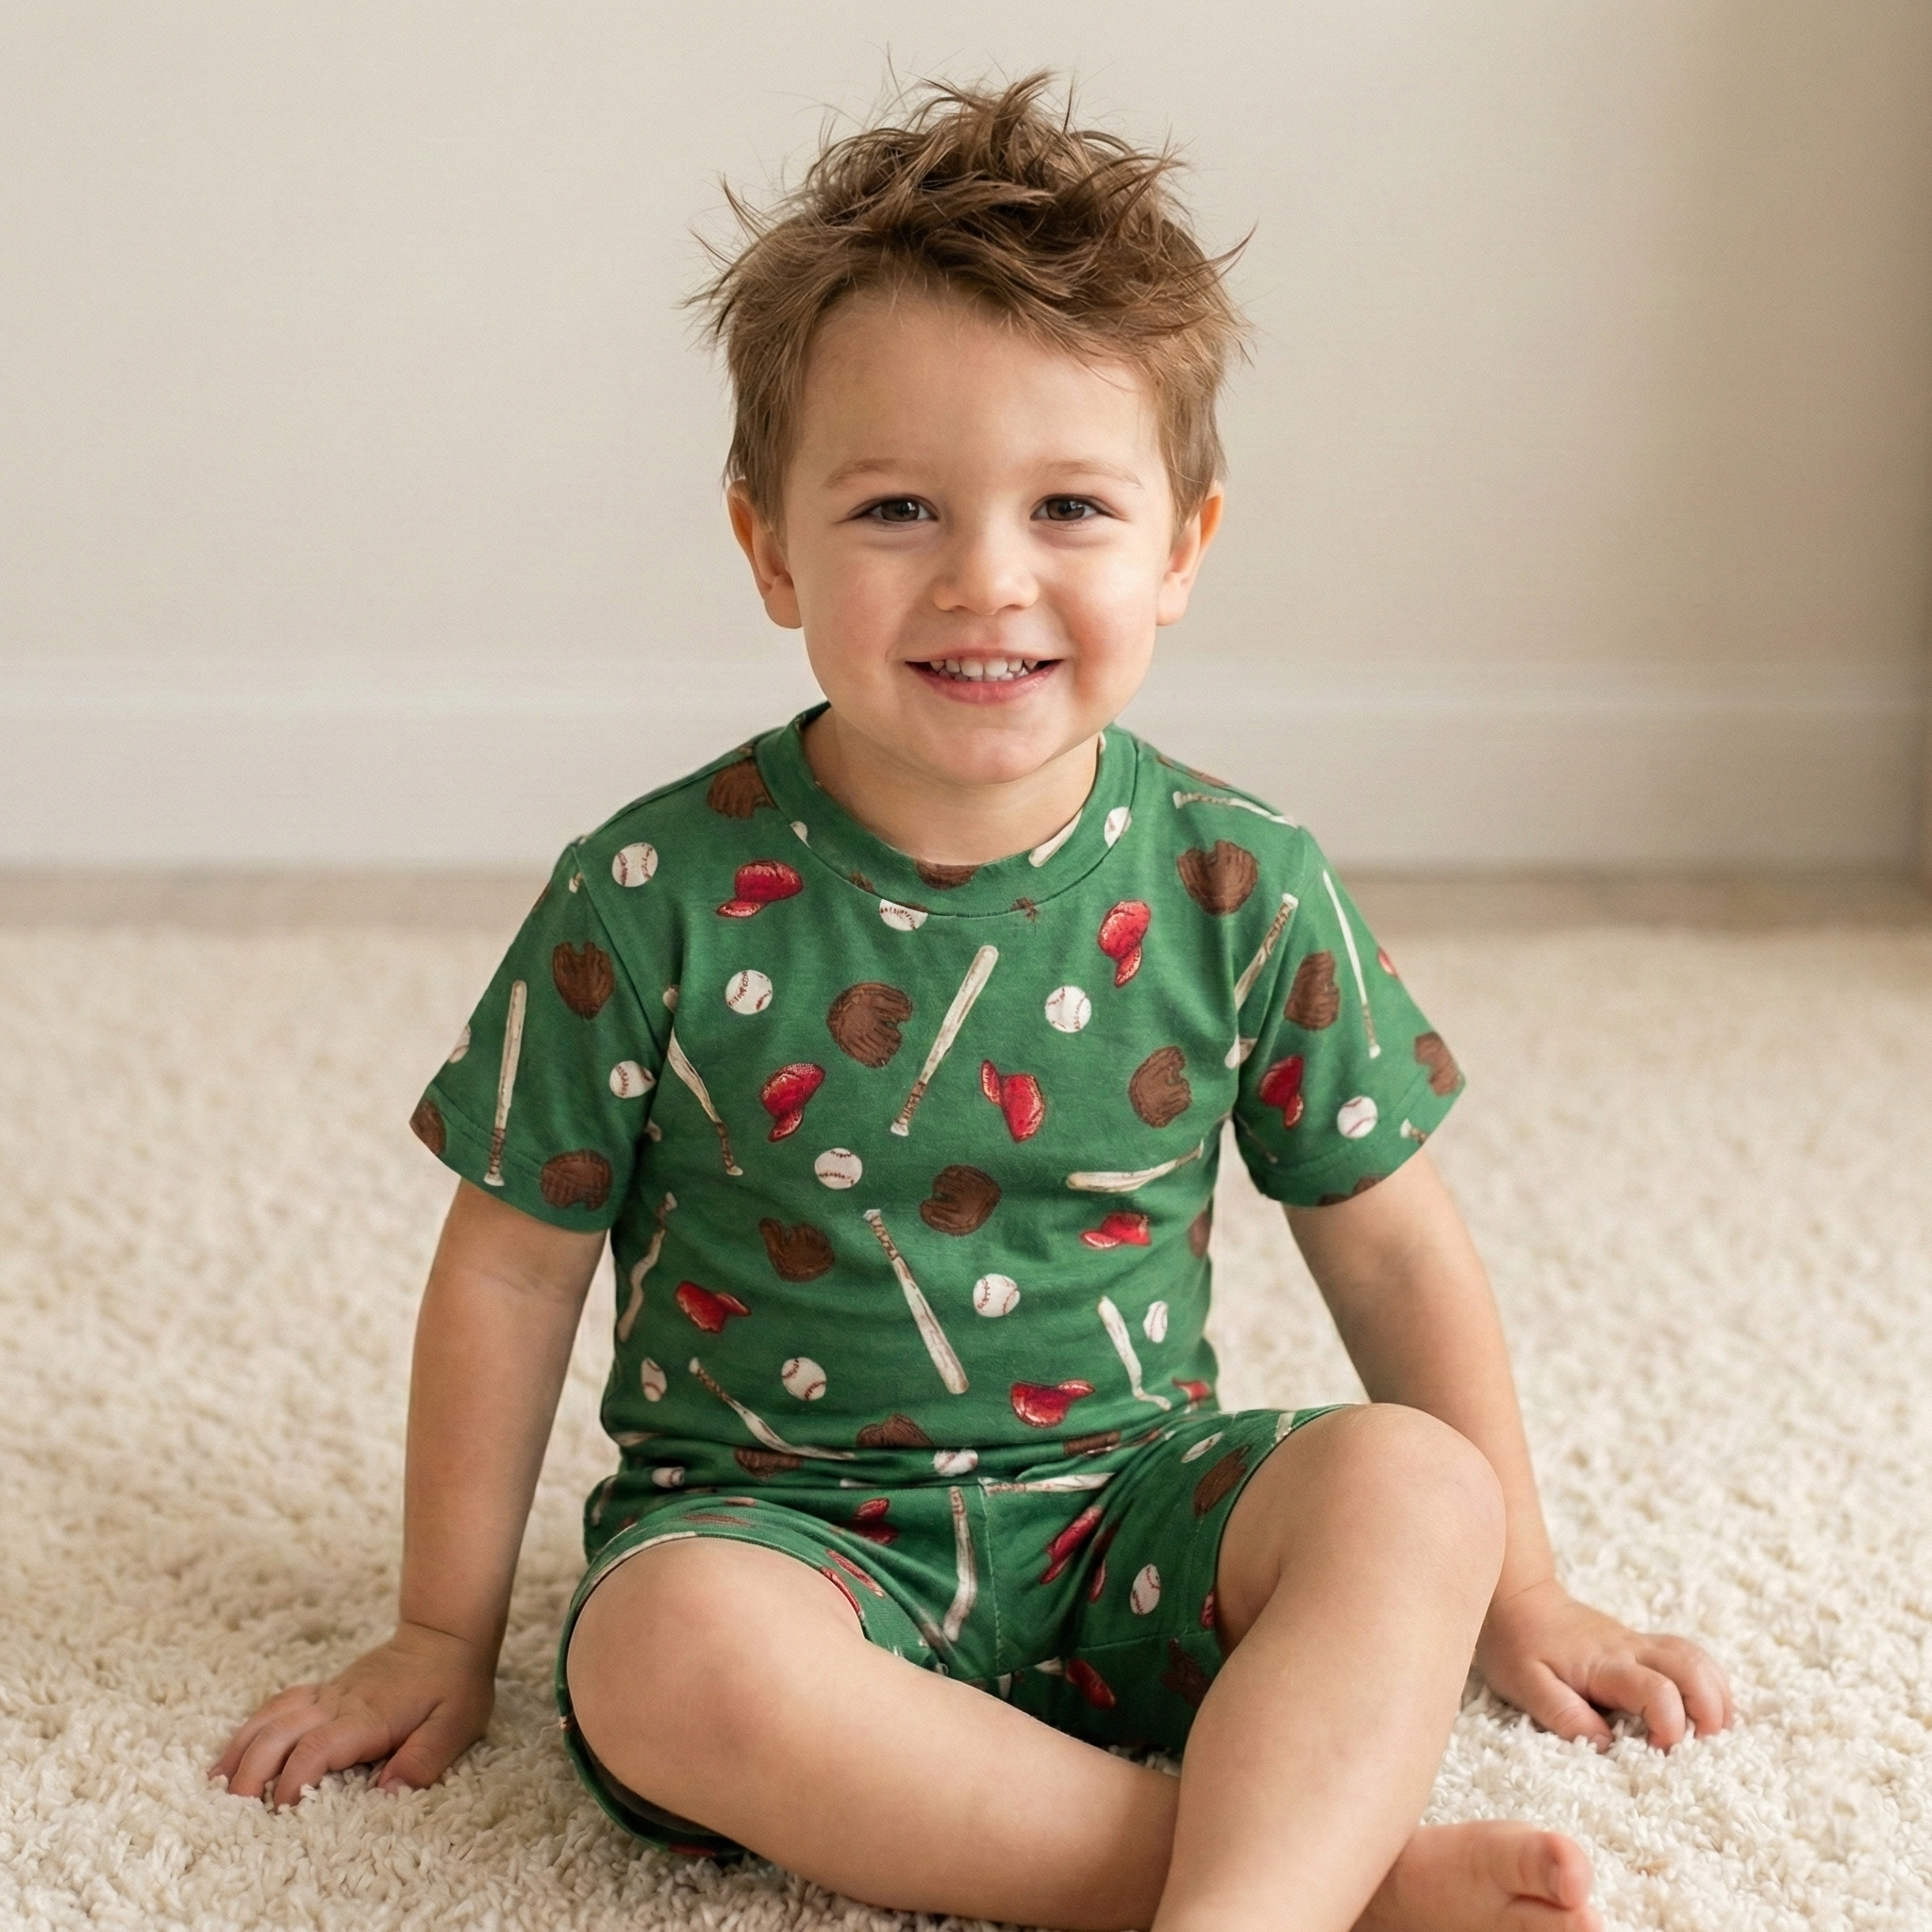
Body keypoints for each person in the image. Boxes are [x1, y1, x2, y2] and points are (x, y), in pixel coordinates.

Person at [211, 75, 1731, 1932]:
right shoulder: (647, 897)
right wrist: (441, 1628)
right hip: (782, 1545)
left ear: (1182, 545)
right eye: (898, 507)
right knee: (654, 1656)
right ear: (770, 545)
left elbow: (1394, 1249)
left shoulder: (1239, 883)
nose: (985, 577)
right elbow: (515, 1263)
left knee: (1415, 1492)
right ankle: (1315, 1885)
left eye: (1071, 505)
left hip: (1135, 1522)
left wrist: (1528, 1589)